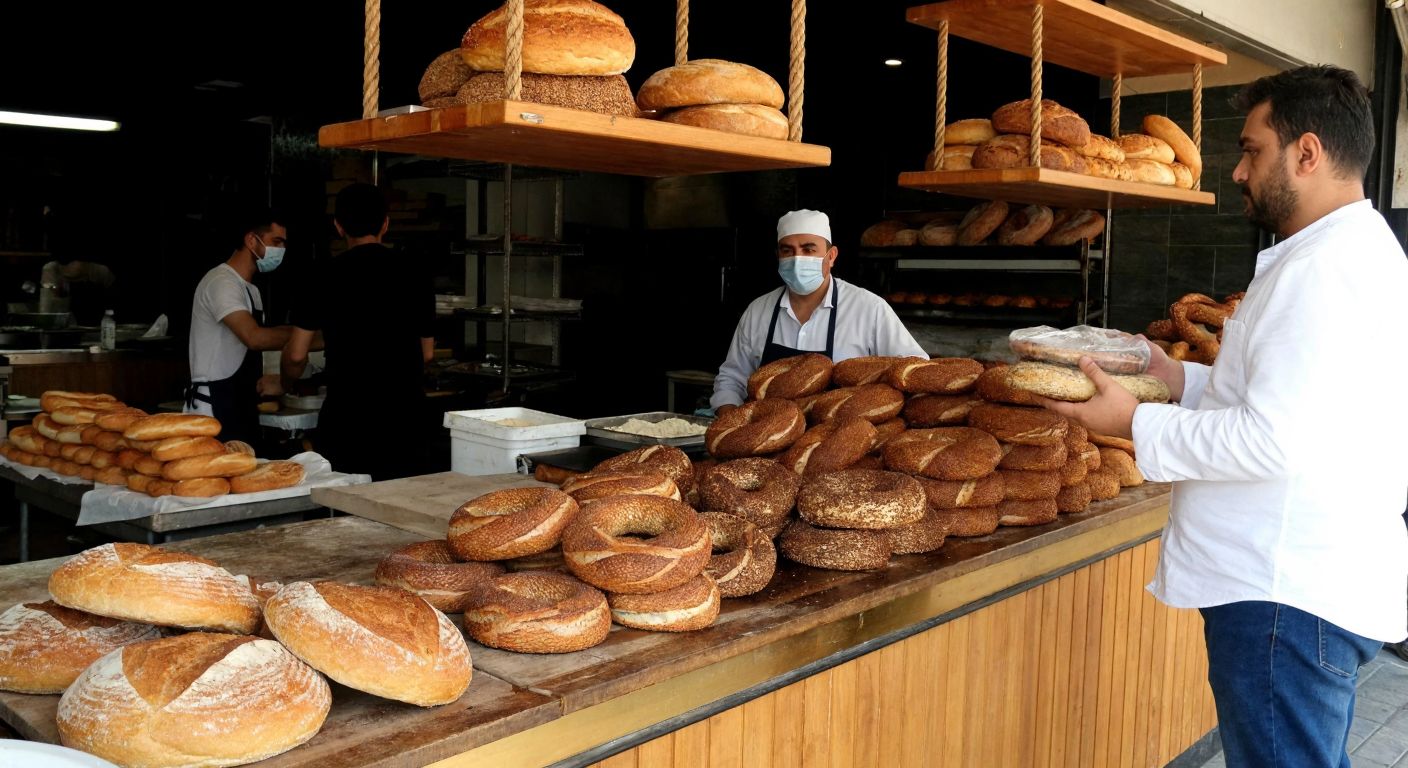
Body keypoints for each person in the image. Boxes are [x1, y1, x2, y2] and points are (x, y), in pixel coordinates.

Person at [1042, 65, 1408, 768]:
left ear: (1307, 153)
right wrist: (1174, 376)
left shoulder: (1324, 273)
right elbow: (1279, 400)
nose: (1238, 172)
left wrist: (1129, 423)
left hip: (1285, 597)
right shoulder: (1341, 253)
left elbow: (1272, 438)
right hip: (1297, 589)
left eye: (1251, 150)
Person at [281, 183, 435, 480]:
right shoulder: (414, 272)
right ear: (386, 224)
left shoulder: (321, 275)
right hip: (406, 420)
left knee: (347, 513)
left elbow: (297, 354)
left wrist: (285, 381)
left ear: (338, 226)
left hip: (347, 420)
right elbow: (426, 352)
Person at [711, 209, 928, 412]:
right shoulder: (758, 311)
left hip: (842, 444)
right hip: (767, 439)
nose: (797, 259)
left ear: (831, 256)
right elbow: (732, 378)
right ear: (778, 255)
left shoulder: (868, 308)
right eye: (788, 250)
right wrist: (730, 417)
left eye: (808, 249)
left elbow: (915, 371)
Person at [184, 207, 292, 444]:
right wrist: (306, 336)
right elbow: (253, 337)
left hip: (240, 402)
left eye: (284, 244)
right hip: (213, 406)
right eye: (276, 242)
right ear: (251, 239)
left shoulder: (251, 289)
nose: (281, 250)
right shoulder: (221, 282)